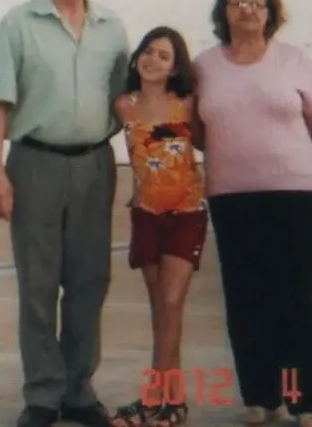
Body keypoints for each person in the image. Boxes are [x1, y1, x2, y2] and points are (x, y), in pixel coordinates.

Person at [0, 0, 131, 427]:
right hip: (35, 164)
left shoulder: (112, 28)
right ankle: (43, 394)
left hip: (94, 164)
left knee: (90, 280)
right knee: (39, 284)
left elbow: (128, 104)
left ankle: (79, 390)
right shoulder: (17, 24)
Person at [192, 0, 312, 427]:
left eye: (256, 4)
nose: (247, 11)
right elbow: (198, 131)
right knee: (245, 300)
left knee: (292, 300)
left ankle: (306, 400)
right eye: (238, 3)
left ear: (271, 12)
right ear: (224, 11)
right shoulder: (204, 66)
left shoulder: (293, 60)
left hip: (292, 194)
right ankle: (261, 395)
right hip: (232, 198)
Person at [109, 27, 207, 427]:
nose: (153, 60)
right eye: (148, 52)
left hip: (186, 214)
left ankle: (152, 401)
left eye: (163, 56)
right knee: (161, 311)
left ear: (175, 67)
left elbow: (208, 144)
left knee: (170, 303)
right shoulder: (123, 106)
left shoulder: (186, 105)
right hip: (146, 216)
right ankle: (173, 403)